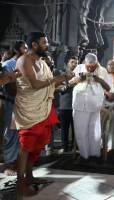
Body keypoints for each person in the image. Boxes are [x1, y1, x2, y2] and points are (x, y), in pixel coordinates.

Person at [14, 32, 73, 196]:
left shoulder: (41, 62)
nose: (47, 45)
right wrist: (57, 79)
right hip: (29, 109)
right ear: (34, 44)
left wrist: (62, 82)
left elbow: (48, 85)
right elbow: (34, 84)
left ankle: (30, 176)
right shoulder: (24, 60)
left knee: (37, 145)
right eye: (44, 43)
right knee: (26, 146)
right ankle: (20, 184)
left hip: (43, 108)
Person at [72, 53, 110, 160]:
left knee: (94, 131)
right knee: (81, 130)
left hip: (95, 106)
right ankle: (84, 155)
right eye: (89, 66)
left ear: (97, 63)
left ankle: (95, 154)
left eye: (93, 66)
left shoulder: (102, 70)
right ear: (85, 62)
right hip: (80, 105)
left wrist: (99, 80)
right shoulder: (79, 68)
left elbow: (108, 87)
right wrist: (80, 78)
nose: (90, 68)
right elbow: (70, 83)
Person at [2, 40, 27, 176]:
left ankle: (18, 161)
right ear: (18, 50)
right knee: (10, 133)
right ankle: (9, 163)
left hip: (23, 104)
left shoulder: (26, 64)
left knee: (20, 133)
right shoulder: (9, 64)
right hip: (11, 103)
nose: (27, 50)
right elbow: (10, 88)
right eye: (25, 47)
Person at [58, 55, 78, 152]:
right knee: (64, 129)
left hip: (76, 106)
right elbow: (61, 90)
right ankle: (64, 148)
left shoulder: (79, 75)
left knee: (76, 129)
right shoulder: (62, 75)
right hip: (65, 106)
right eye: (72, 62)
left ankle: (74, 147)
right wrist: (71, 84)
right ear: (67, 64)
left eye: (76, 63)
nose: (74, 64)